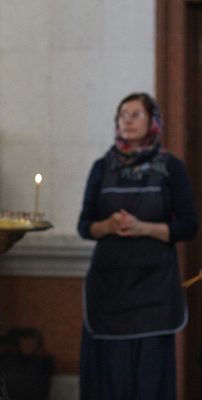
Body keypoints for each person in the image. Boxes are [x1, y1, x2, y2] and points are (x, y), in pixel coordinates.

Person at [77, 92, 198, 400]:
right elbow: (84, 225)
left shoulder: (172, 167)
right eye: (123, 115)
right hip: (110, 291)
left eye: (136, 115)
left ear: (153, 122)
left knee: (150, 381)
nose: (128, 121)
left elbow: (189, 225)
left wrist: (144, 228)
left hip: (154, 291)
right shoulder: (102, 167)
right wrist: (108, 226)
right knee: (110, 379)